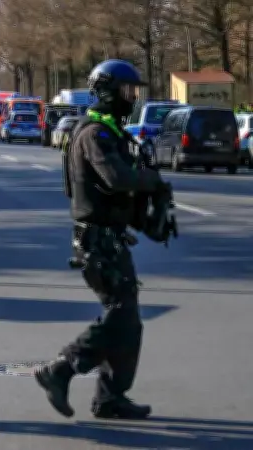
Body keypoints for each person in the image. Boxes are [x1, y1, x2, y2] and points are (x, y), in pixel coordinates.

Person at [35, 60, 170, 420]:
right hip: (97, 240)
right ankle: (60, 369)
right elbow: (115, 178)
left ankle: (110, 398)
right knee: (121, 315)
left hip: (110, 237)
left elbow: (123, 191)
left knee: (127, 319)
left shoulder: (111, 131)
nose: (133, 98)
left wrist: (152, 212)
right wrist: (151, 181)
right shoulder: (94, 133)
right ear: (109, 91)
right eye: (129, 91)